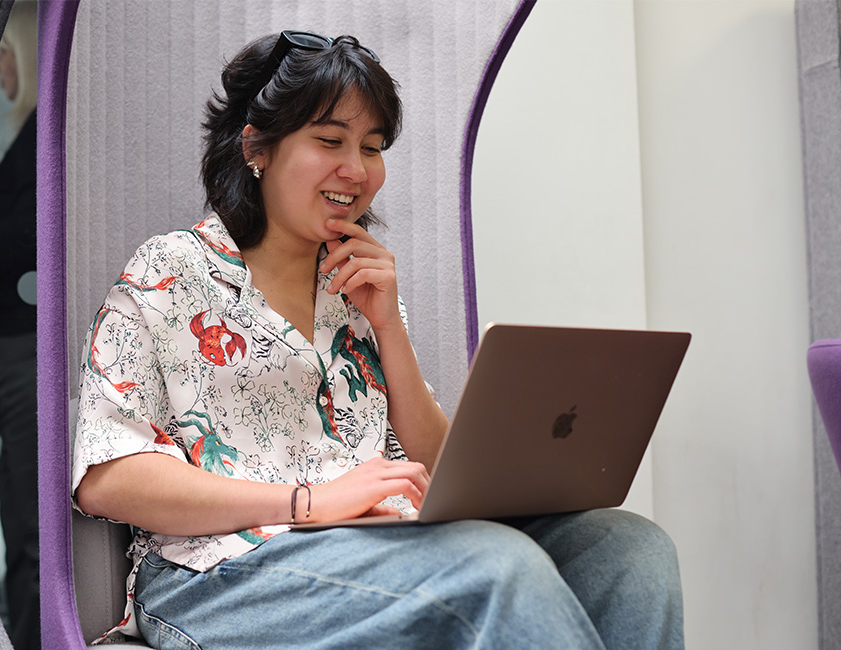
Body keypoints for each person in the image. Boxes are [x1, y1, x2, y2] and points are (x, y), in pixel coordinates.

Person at [72, 31, 684, 649]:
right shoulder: (171, 270)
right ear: (256, 147)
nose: (357, 170)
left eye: (372, 147)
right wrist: (310, 501)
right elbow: (107, 479)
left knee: (627, 549)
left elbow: (437, 468)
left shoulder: (358, 287)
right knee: (492, 566)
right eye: (330, 141)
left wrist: (389, 329)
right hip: (219, 573)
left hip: (372, 546)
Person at [0, 2, 39, 649]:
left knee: (31, 522)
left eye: (5, 56)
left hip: (26, 348)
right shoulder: (19, 145)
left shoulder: (43, 147)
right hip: (9, 348)